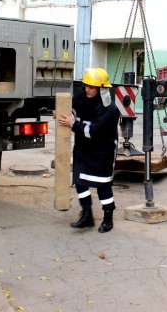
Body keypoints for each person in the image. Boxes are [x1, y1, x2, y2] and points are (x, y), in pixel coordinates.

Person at [55, 67, 120, 233]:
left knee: (103, 186)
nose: (87, 89)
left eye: (91, 87)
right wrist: (61, 113)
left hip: (102, 153)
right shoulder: (82, 99)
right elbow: (73, 110)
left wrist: (74, 124)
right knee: (79, 181)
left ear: (102, 89)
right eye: (86, 86)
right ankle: (87, 215)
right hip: (83, 150)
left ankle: (108, 218)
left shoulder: (111, 111)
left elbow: (96, 132)